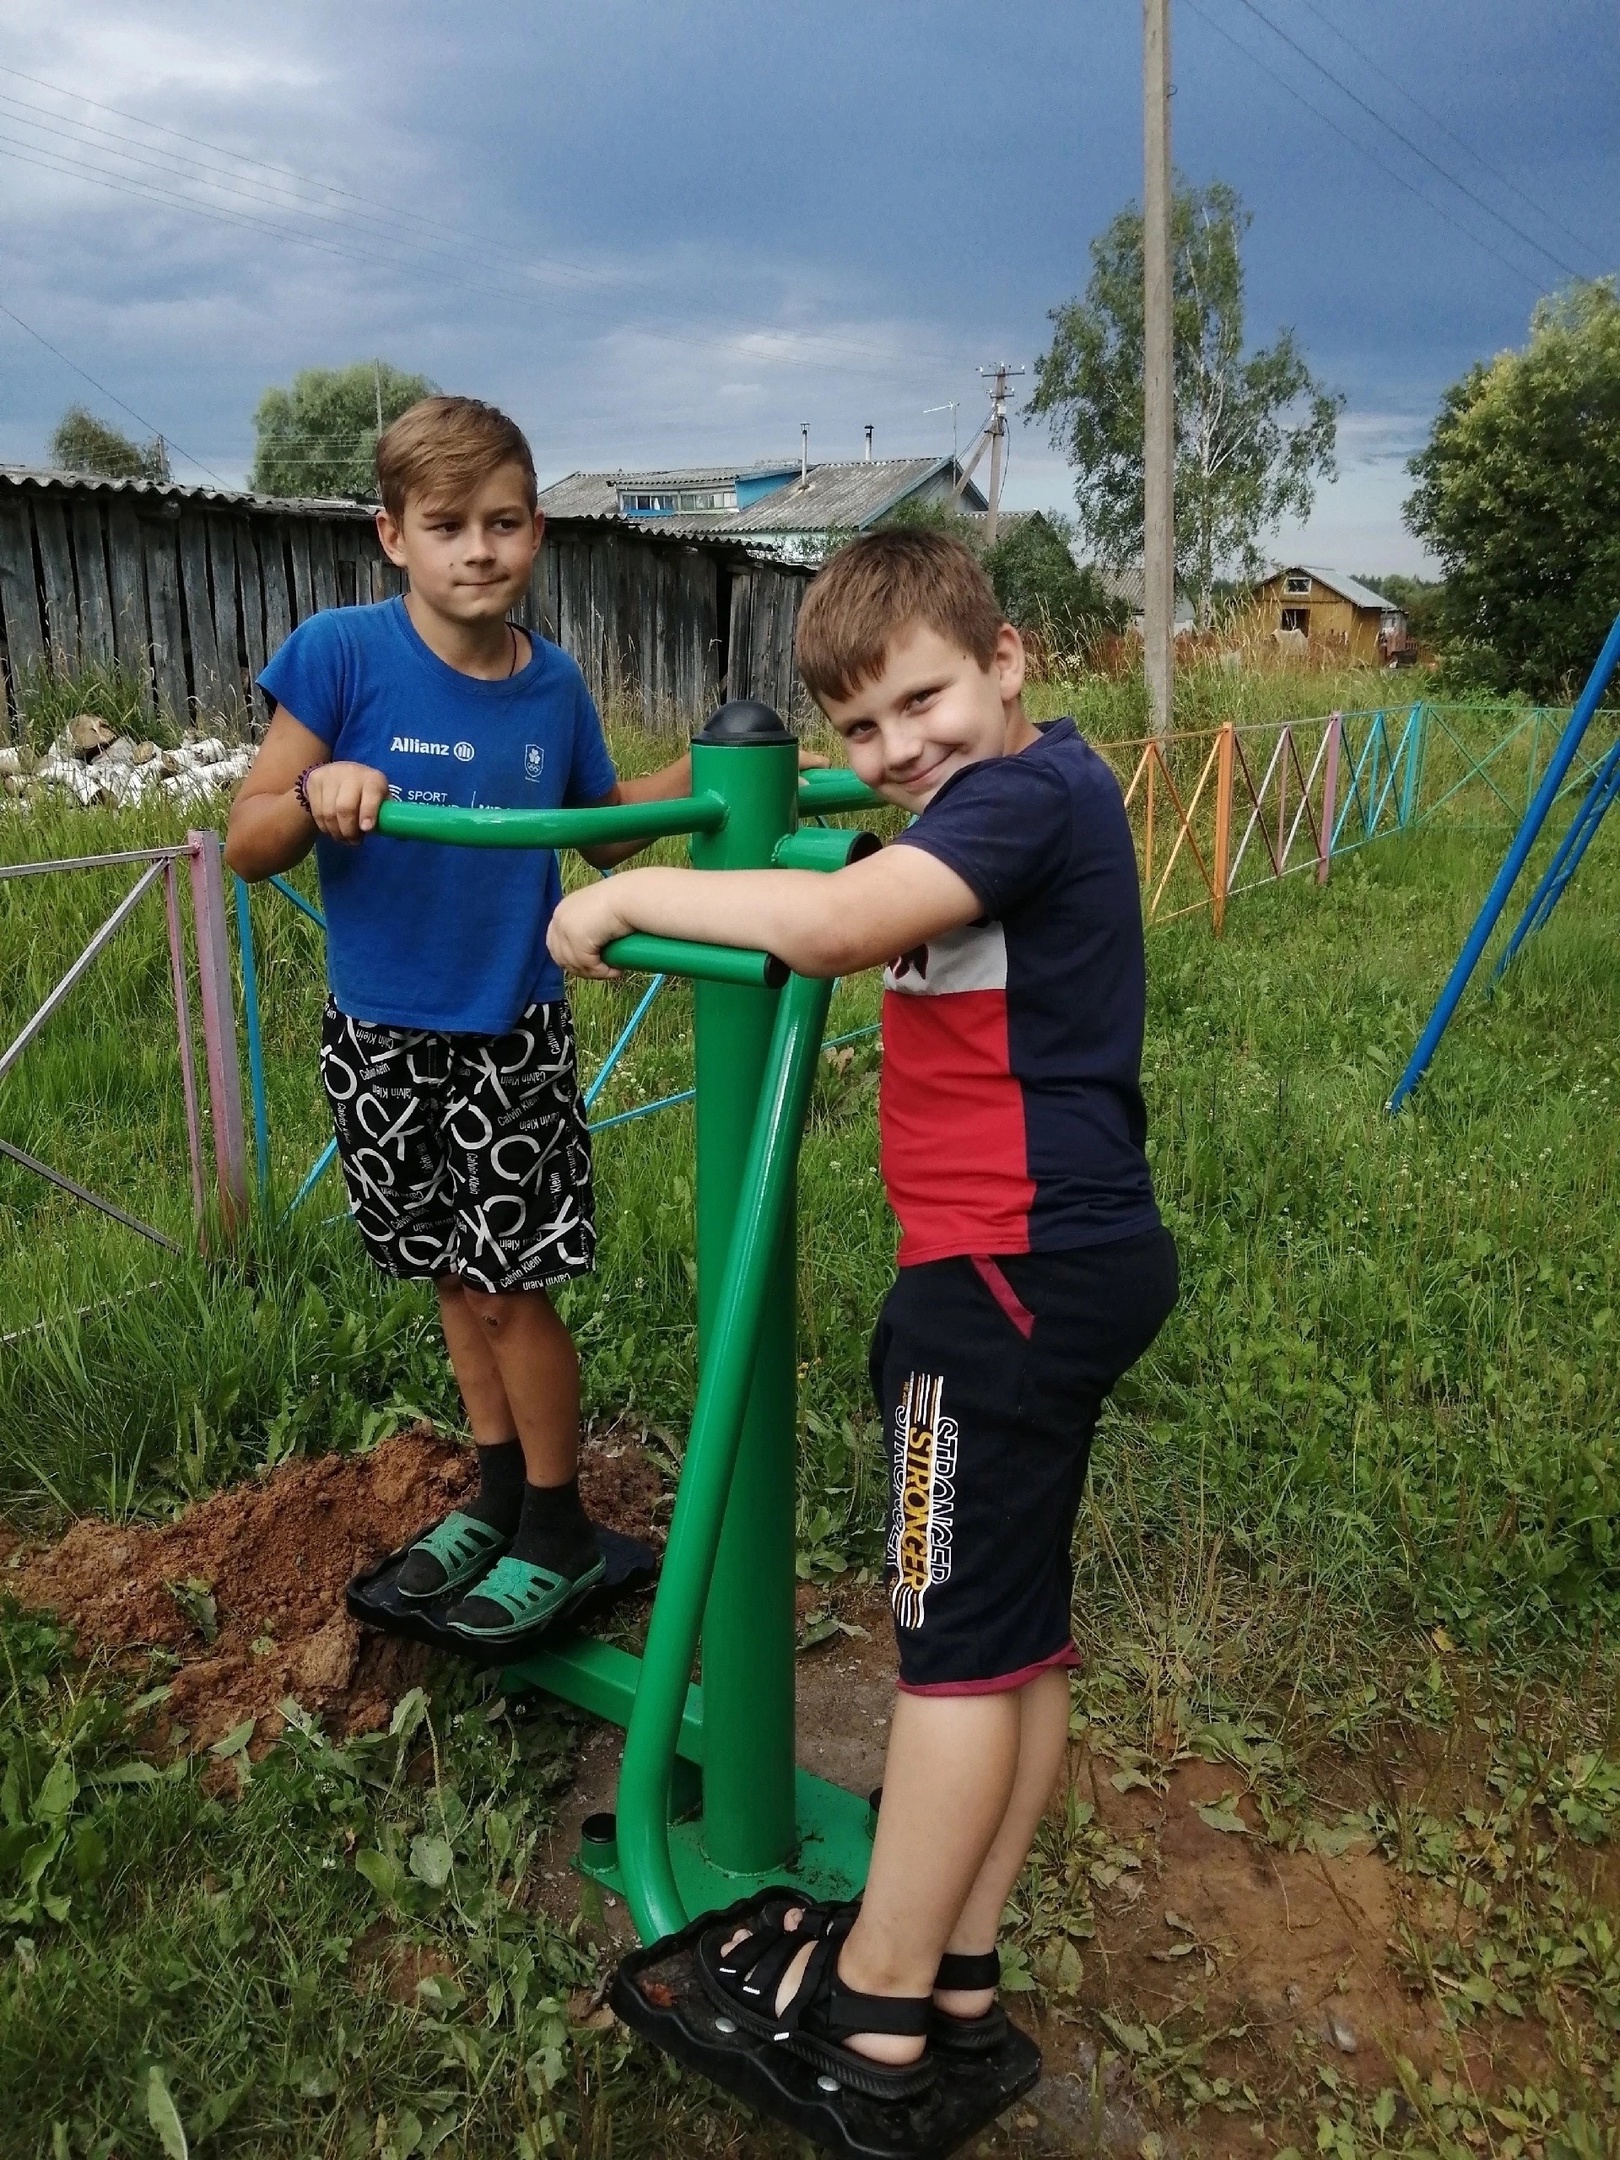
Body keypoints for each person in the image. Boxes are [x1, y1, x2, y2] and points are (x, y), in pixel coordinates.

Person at [547, 528, 1178, 2100]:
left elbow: (830, 926)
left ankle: (876, 2002)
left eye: (923, 702)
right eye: (861, 731)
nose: (898, 751)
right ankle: (954, 1965)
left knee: (952, 1650)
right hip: (1060, 1269)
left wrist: (622, 907)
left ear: (1008, 659)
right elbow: (847, 889)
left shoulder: (1023, 798)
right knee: (1018, 1645)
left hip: (998, 1283)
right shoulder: (1024, 799)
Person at [225, 394, 706, 1646]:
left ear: (538, 531)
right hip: (380, 1035)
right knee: (451, 1275)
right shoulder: (340, 653)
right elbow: (248, 838)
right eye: (448, 525)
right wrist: (320, 786)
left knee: (512, 1291)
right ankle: (498, 1498)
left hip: (505, 1032)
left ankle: (560, 1523)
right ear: (395, 537)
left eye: (503, 522)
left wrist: (713, 775)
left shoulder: (550, 688)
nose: (477, 549)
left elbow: (600, 831)